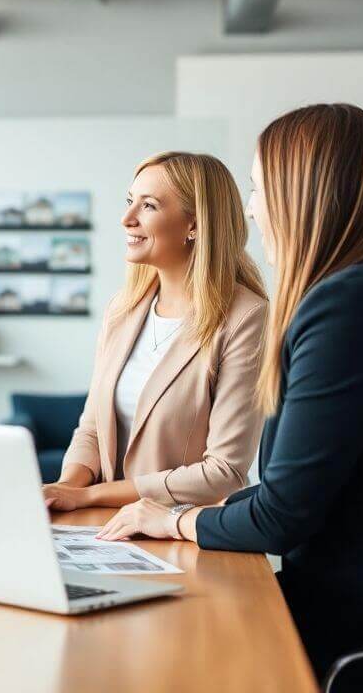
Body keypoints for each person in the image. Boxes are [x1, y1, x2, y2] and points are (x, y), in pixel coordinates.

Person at [97, 105, 363, 691]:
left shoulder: (353, 304)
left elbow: (282, 515)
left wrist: (172, 520)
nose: (250, 208)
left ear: (303, 194)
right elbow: (298, 496)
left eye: (256, 188)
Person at [42, 151, 268, 511]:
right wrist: (64, 489)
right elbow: (92, 429)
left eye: (148, 206)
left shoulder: (246, 317)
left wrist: (91, 495)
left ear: (194, 224)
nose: (126, 219)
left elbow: (223, 472)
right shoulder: (123, 308)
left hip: (180, 533)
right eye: (130, 202)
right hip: (102, 531)